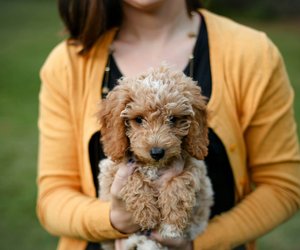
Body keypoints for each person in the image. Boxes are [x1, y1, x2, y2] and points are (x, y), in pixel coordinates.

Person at [36, 0, 300, 249]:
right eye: (138, 120)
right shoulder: (67, 64)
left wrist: (199, 243)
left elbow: (284, 187)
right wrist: (113, 219)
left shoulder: (253, 54)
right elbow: (51, 199)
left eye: (175, 120)